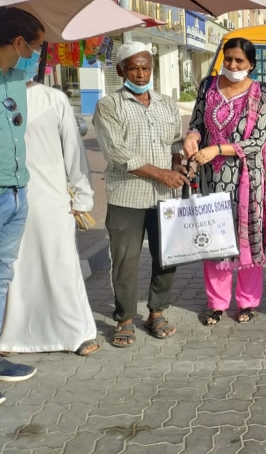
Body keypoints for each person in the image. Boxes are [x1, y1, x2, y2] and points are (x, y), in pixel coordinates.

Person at [0, 57, 98, 357]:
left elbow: (74, 150)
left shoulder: (54, 99)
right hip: (12, 197)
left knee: (61, 264)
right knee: (17, 268)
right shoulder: (5, 96)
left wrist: (82, 195)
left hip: (53, 199)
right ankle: (13, 336)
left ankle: (76, 333)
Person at [94, 42, 189, 347]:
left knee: (167, 256)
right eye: (133, 68)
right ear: (121, 70)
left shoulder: (167, 104)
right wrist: (161, 173)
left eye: (146, 67)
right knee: (126, 260)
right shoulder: (109, 105)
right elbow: (117, 153)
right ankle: (124, 318)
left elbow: (175, 143)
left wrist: (177, 164)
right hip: (126, 195)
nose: (140, 74)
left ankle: (156, 312)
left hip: (165, 197)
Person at [183, 38, 266, 326]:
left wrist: (218, 149)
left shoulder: (261, 96)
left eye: (239, 61)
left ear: (251, 65)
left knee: (247, 240)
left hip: (247, 179)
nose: (232, 65)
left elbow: (257, 141)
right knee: (215, 241)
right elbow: (197, 122)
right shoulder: (208, 87)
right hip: (212, 178)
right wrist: (192, 137)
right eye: (229, 58)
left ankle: (247, 302)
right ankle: (217, 303)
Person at [0, 7, 44, 398]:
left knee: (1, 277)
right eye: (35, 48)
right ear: (18, 43)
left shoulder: (16, 79)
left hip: (16, 192)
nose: (36, 56)